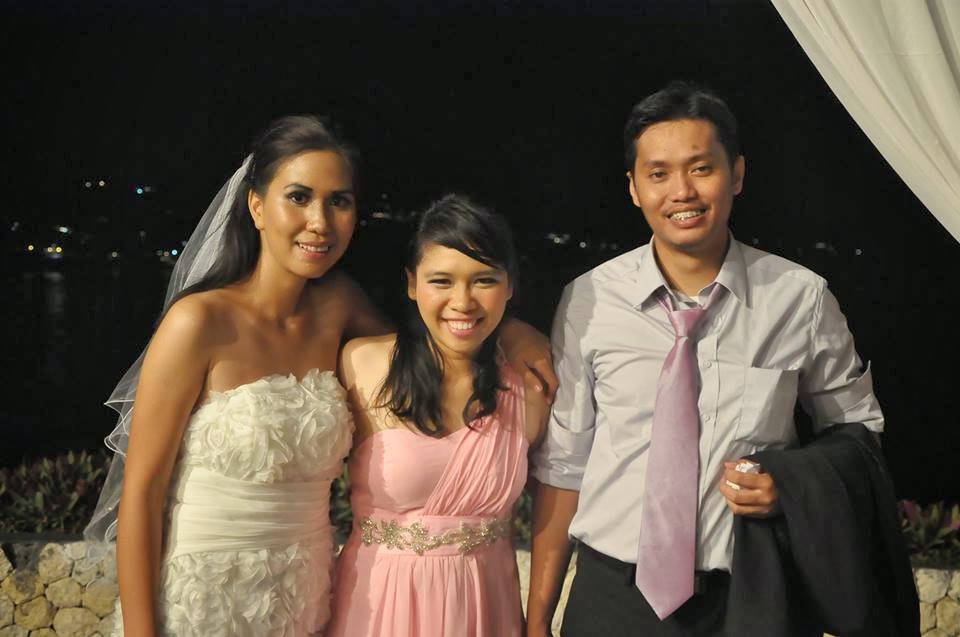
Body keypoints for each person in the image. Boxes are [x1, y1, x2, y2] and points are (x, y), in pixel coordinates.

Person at [83, 117, 555, 636]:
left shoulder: (340, 307)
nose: (320, 222)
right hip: (203, 595)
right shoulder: (198, 322)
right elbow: (143, 492)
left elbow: (441, 336)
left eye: (339, 202)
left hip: (305, 599)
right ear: (256, 206)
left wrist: (514, 331)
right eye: (299, 197)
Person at [526, 82, 884, 636]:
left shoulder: (799, 298)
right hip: (613, 599)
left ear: (736, 174)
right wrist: (536, 619)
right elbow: (564, 466)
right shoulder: (589, 299)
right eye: (659, 173)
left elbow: (857, 432)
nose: (682, 192)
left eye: (701, 168)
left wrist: (789, 486)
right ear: (633, 188)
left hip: (751, 598)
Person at [327, 194, 549, 637]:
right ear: (412, 283)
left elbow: (556, 503)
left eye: (484, 281)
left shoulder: (532, 389)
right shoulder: (360, 365)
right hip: (376, 607)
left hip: (486, 607)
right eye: (441, 281)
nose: (462, 301)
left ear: (510, 286)